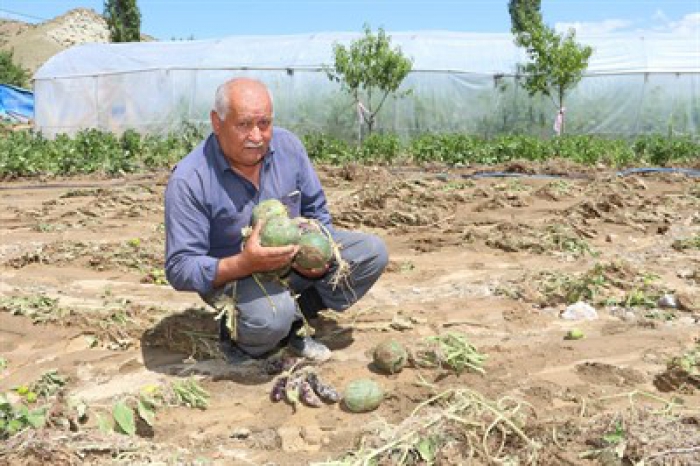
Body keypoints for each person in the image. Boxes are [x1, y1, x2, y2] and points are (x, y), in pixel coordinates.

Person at [164, 77, 388, 364]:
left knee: (371, 253)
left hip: (292, 264)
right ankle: (243, 333)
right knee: (269, 320)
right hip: (232, 275)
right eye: (244, 124)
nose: (257, 136)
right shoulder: (189, 180)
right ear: (217, 123)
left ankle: (298, 314)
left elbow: (317, 209)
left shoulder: (288, 148)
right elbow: (180, 267)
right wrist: (244, 263)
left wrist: (316, 252)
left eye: (264, 123)